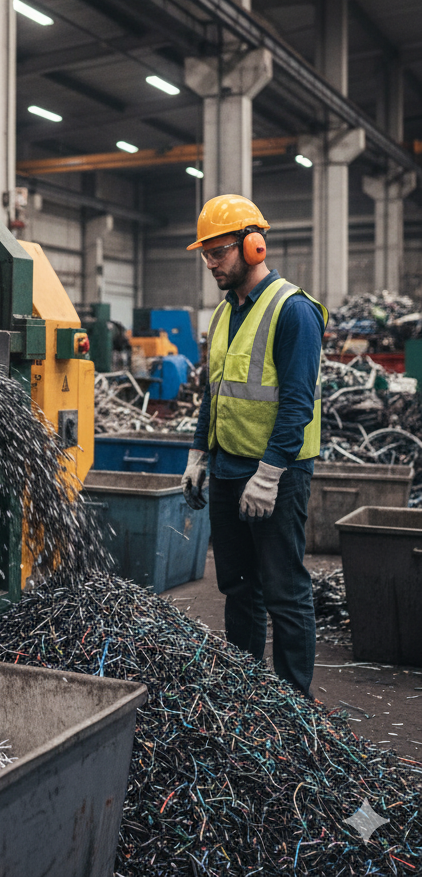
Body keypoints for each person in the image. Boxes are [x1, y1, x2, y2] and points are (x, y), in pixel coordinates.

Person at [181, 194, 327, 699]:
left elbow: (296, 404)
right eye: (205, 253)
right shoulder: (224, 314)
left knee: (284, 590)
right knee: (238, 587)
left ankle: (293, 703)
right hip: (227, 468)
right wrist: (198, 455)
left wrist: (269, 475)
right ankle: (247, 696)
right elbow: (214, 391)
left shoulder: (294, 311)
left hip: (276, 475)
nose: (210, 262)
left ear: (253, 246)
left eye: (218, 251)